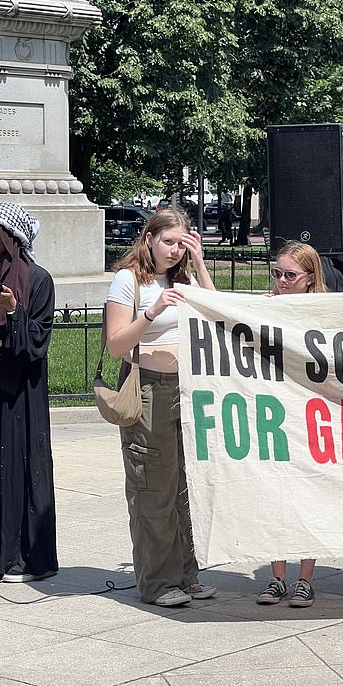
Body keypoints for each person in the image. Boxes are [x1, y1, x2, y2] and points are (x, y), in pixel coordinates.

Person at [106, 208, 218, 607]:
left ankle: (186, 574)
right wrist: (151, 312)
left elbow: (218, 315)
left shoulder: (184, 277)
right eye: (168, 241)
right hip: (148, 387)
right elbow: (116, 344)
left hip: (186, 388)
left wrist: (200, 263)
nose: (174, 250)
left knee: (182, 489)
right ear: (149, 238)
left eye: (182, 242)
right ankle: (157, 582)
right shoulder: (128, 281)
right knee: (152, 485)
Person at [0, 202, 57, 582]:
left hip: (20, 391)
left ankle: (21, 559)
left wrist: (11, 311)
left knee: (18, 468)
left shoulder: (38, 280)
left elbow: (36, 343)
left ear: (12, 238)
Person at [256, 241, 327, 608]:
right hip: (276, 414)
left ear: (309, 278)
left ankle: (306, 578)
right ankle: (277, 577)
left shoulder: (323, 310)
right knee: (275, 499)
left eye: (290, 275)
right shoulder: (267, 305)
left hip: (310, 414)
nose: (281, 280)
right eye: (277, 273)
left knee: (309, 496)